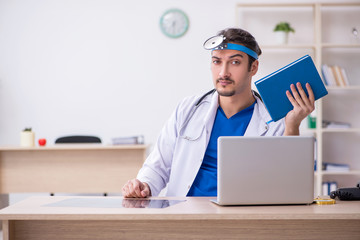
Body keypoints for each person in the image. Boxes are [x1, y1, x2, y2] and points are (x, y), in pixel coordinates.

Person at [122, 28, 315, 198]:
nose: (223, 72)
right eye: (216, 61)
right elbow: (158, 166)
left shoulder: (274, 120)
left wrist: (293, 125)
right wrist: (143, 184)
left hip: (242, 218)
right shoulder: (188, 109)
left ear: (253, 67)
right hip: (183, 213)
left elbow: (287, 183)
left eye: (235, 62)